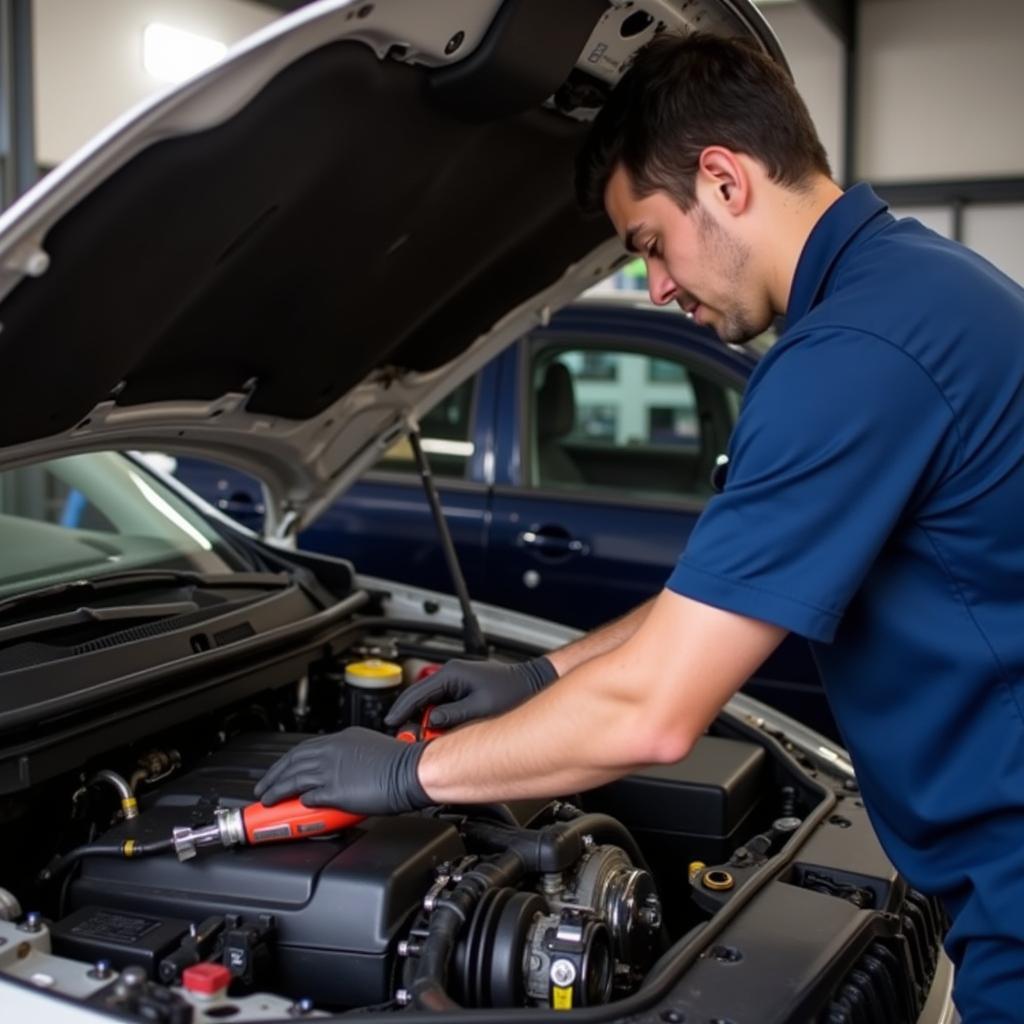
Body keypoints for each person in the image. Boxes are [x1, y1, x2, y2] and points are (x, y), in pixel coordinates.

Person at [254, 33, 1024, 1022]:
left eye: (652, 243)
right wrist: (540, 677)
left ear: (722, 178)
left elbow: (654, 711)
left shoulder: (854, 357)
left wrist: (410, 773)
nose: (656, 285)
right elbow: (714, 610)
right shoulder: (913, 292)